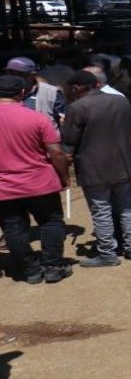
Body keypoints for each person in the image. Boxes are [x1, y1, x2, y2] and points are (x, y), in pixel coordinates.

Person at [60, 70, 131, 267]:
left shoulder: (77, 107)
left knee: (101, 210)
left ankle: (107, 252)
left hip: (93, 166)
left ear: (78, 87)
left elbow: (69, 140)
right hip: (122, 162)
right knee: (127, 207)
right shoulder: (121, 101)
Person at [0, 75, 72, 284]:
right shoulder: (37, 117)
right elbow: (56, 153)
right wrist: (64, 176)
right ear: (22, 93)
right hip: (40, 183)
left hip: (4, 188)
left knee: (13, 227)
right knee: (50, 222)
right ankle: (53, 267)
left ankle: (30, 270)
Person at [6, 57, 66, 129]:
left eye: (20, 74)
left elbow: (63, 120)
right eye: (10, 73)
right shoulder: (4, 91)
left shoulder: (51, 92)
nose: (14, 78)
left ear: (32, 75)